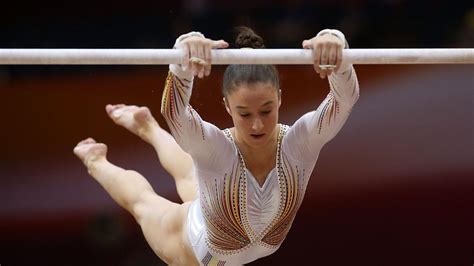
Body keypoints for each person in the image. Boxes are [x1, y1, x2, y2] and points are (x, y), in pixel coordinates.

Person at [74, 26, 359, 265]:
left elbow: (344, 100)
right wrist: (183, 57)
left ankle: (147, 127)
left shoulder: (300, 143)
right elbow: (176, 114)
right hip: (195, 246)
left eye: (266, 110)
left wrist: (336, 44)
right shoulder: (218, 148)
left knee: (193, 175)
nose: (257, 125)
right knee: (143, 205)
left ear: (280, 99)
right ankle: (95, 160)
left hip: (217, 206)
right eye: (245, 114)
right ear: (227, 106)